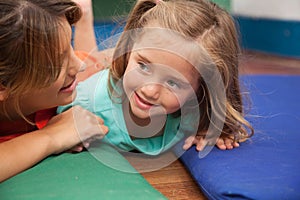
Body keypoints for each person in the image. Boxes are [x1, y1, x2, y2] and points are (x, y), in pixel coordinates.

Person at [59, 0, 254, 155]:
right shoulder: (87, 105)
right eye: (143, 65)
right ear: (129, 51)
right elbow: (59, 120)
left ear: (201, 89)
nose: (150, 91)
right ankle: (84, 16)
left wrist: (212, 131)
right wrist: (66, 135)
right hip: (94, 83)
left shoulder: (195, 109)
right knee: (84, 68)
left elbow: (219, 121)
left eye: (172, 82)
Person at [0, 0, 108, 182]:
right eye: (57, 63)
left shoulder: (58, 76)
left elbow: (104, 62)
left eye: (70, 47)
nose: (78, 65)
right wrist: (54, 135)